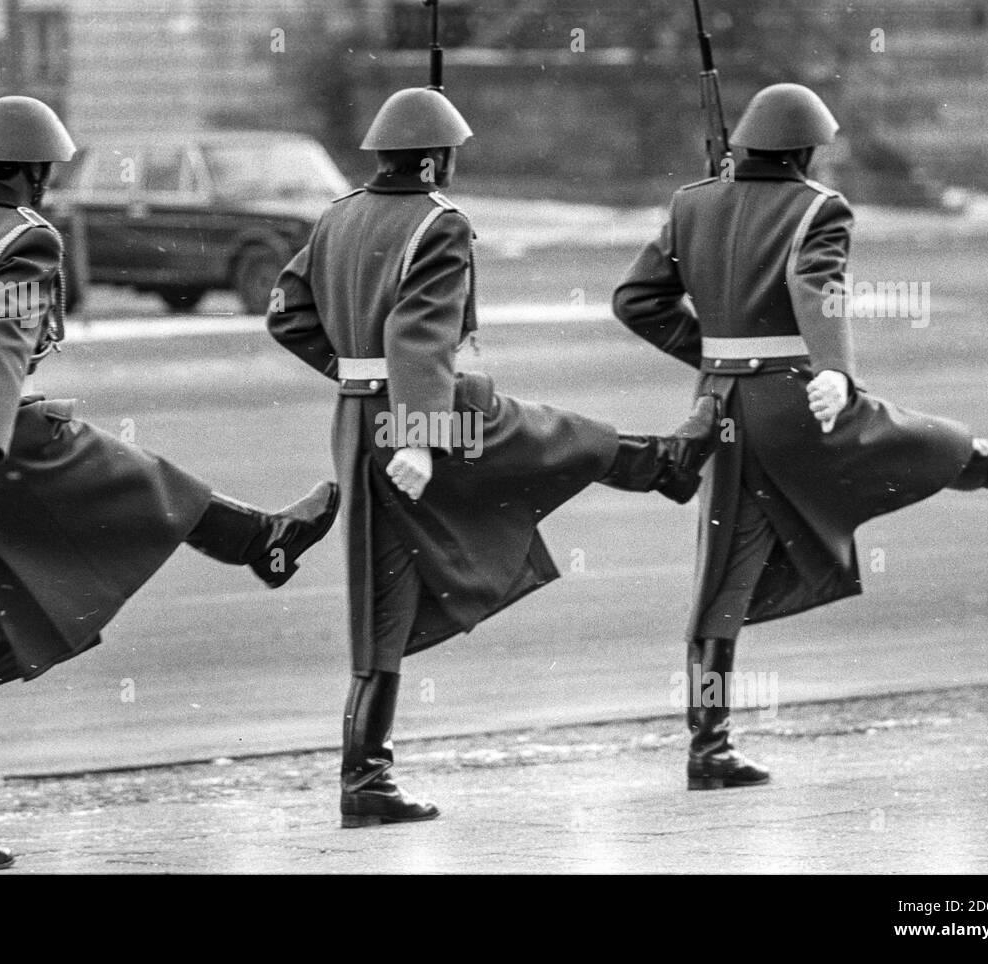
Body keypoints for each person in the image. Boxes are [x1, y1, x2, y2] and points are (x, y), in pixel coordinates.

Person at [0, 96, 340, 873]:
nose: (48, 188)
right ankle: (257, 543)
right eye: (45, 173)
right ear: (29, 171)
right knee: (141, 487)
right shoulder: (23, 237)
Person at [267, 86, 717, 828]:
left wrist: (354, 374)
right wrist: (415, 430)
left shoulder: (337, 215)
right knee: (550, 437)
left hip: (357, 422)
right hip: (435, 419)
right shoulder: (441, 224)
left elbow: (286, 315)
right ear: (436, 159)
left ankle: (366, 781)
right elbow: (421, 331)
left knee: (380, 598)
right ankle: (662, 463)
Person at [612, 82, 988, 791]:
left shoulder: (691, 202)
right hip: (794, 401)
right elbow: (815, 283)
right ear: (802, 152)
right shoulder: (819, 209)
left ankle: (709, 749)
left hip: (720, 411)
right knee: (907, 438)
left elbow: (635, 300)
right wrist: (835, 372)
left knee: (717, 586)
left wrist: (716, 351)